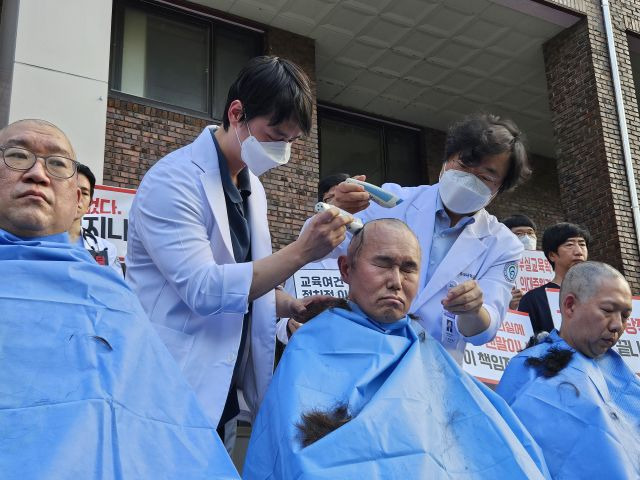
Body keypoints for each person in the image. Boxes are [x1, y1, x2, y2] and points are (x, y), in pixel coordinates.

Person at [125, 56, 351, 440]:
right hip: (169, 383)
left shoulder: (252, 188)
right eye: (275, 135)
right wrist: (301, 251)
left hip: (226, 393)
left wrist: (290, 305)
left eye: (291, 142)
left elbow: (245, 280)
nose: (282, 150)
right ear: (236, 112)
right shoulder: (173, 180)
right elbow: (205, 288)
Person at [0, 119, 239, 478]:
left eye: (58, 164)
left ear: (78, 199)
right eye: (18, 156)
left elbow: (166, 423)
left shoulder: (113, 292)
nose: (37, 173)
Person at [243, 219, 549, 479]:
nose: (396, 281)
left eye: (409, 269)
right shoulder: (314, 343)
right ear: (346, 269)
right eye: (383, 264)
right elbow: (302, 454)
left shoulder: (424, 347)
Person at [330, 113, 530, 363]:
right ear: (446, 161)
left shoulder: (503, 244)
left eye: (486, 177)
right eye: (464, 165)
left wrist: (473, 310)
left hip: (432, 367)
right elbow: (321, 251)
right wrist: (337, 210)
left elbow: (483, 332)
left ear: (500, 188)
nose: (469, 180)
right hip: (361, 347)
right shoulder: (390, 201)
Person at [497, 261, 639, 479]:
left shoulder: (618, 371)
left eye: (625, 316)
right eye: (608, 310)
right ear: (570, 305)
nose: (617, 325)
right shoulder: (533, 368)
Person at [276, 172, 350, 343]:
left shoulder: (364, 260)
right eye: (330, 200)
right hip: (310, 353)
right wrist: (289, 326)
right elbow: (282, 320)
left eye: (346, 200)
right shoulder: (300, 260)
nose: (337, 207)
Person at [518, 222, 590, 334]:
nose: (579, 252)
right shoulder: (534, 299)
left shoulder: (599, 296)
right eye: (569, 245)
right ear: (552, 255)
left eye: (582, 244)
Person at [68, 163, 123, 276]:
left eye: (84, 193)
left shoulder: (106, 250)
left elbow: (115, 290)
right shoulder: (34, 241)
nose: (78, 197)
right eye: (72, 190)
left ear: (90, 204)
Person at [502, 214, 538, 309]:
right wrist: (506, 303)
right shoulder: (495, 266)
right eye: (519, 234)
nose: (527, 238)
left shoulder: (550, 267)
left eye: (530, 233)